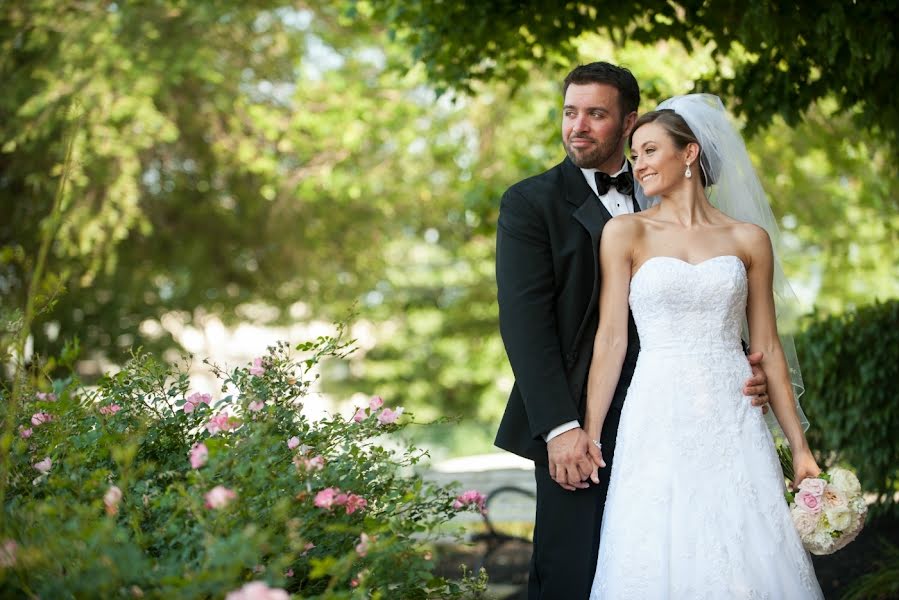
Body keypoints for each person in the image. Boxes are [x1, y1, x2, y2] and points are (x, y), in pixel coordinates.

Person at [493, 62, 770, 599]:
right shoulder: (530, 204)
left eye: (596, 114)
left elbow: (710, 285)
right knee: (572, 571)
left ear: (628, 121)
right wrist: (560, 428)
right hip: (580, 421)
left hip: (687, 414)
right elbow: (525, 328)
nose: (579, 126)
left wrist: (742, 366)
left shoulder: (662, 179)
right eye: (570, 113)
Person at [585, 94, 823, 598]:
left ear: (689, 153)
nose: (638, 164)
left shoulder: (749, 239)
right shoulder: (624, 233)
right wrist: (590, 430)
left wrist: (799, 447)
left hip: (734, 411)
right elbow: (611, 338)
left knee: (746, 545)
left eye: (649, 150)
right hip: (656, 413)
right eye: (635, 154)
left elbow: (770, 349)